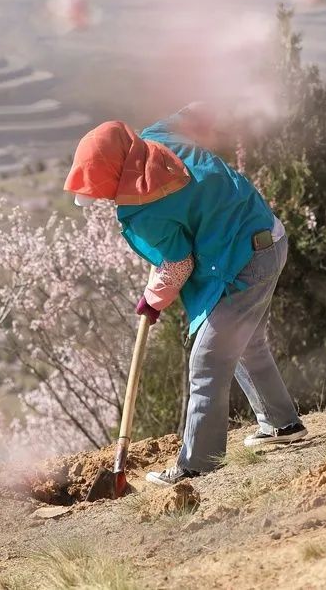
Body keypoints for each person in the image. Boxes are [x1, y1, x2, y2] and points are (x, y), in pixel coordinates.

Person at [63, 106, 306, 487]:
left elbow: (178, 264)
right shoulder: (158, 135)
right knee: (246, 343)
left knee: (207, 359)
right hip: (269, 236)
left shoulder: (142, 210)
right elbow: (198, 113)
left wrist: (151, 301)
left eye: (104, 190)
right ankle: (281, 424)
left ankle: (199, 464)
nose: (108, 199)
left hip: (245, 260)